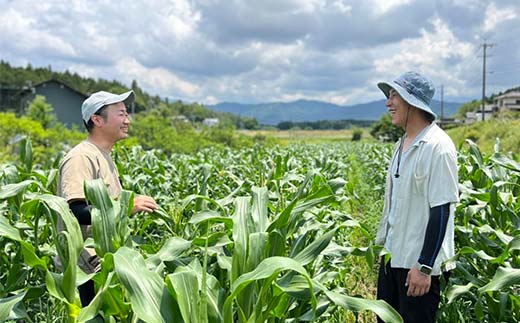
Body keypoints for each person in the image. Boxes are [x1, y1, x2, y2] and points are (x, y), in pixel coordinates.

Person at [58, 90, 158, 306]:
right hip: (87, 267)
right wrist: (126, 207)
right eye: (121, 114)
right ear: (97, 119)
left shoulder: (104, 156)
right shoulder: (81, 157)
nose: (127, 120)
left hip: (106, 261)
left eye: (127, 114)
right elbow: (75, 213)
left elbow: (105, 206)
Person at [374, 71, 459, 322]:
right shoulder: (403, 143)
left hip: (418, 267)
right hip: (393, 259)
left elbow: (441, 209)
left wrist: (424, 266)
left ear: (412, 101)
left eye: (393, 96)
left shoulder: (438, 147)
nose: (388, 103)